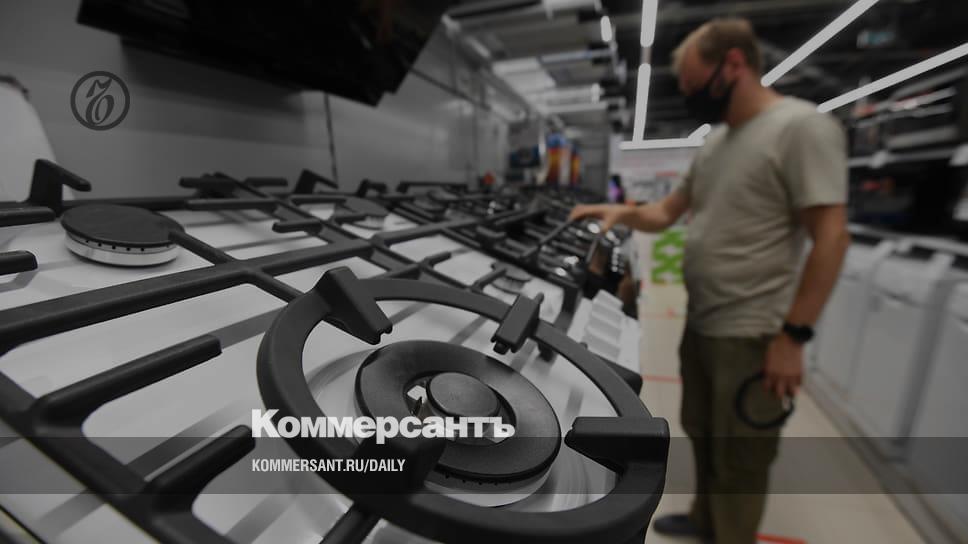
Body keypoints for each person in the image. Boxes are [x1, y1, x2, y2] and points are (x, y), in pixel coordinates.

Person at [570, 18, 850, 544]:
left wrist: (793, 337)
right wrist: (617, 212)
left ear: (734, 64)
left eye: (696, 86)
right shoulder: (718, 142)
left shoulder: (800, 128)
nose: (691, 97)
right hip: (704, 322)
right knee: (702, 430)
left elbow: (831, 238)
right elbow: (665, 213)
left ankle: (730, 535)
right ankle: (705, 520)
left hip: (754, 330)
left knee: (742, 453)